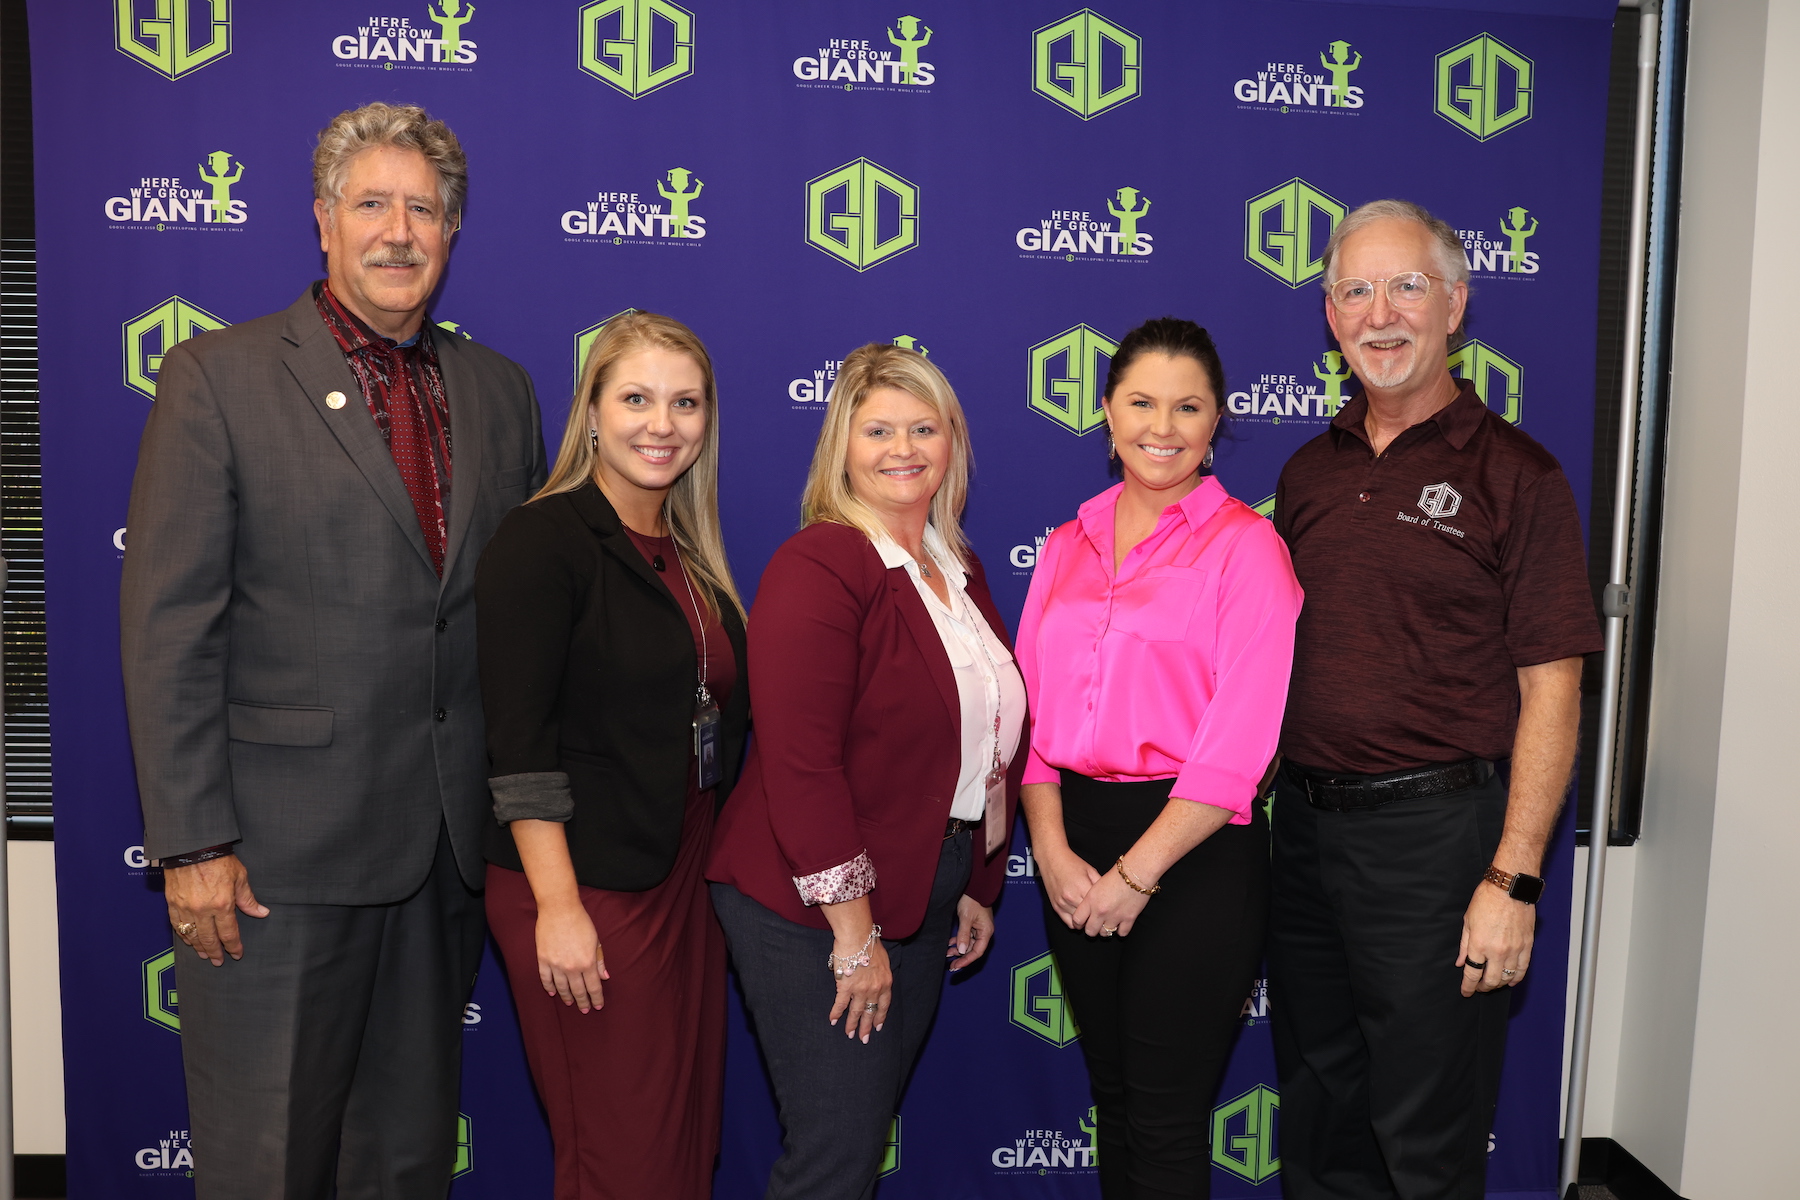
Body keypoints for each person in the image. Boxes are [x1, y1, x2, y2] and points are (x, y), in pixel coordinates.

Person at [119, 102, 545, 1198]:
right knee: (271, 1167)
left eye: (424, 209)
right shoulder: (217, 377)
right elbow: (169, 629)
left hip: (444, 853)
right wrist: (192, 843)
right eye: (372, 205)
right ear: (322, 222)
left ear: (451, 233)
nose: (398, 231)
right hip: (272, 867)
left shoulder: (498, 392)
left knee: (404, 1166)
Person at [1269, 199, 1601, 1200]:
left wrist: (1513, 882)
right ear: (1330, 315)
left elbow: (1555, 688)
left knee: (1426, 1138)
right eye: (1356, 291)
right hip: (1306, 839)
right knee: (1322, 1117)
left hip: (1440, 841)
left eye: (1407, 285)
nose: (1382, 314)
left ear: (1455, 303)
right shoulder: (1305, 472)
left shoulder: (1519, 475)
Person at [706, 343, 1025, 1200]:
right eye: (877, 428)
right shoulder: (823, 564)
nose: (903, 447)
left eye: (924, 427)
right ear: (841, 444)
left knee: (851, 1144)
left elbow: (984, 737)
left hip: (921, 892)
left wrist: (974, 877)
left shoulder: (956, 570)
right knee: (834, 1158)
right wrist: (854, 937)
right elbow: (800, 765)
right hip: (813, 910)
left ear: (953, 441)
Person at [1014, 318, 1303, 1199]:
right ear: (1106, 412)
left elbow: (1237, 749)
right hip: (1076, 838)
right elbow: (1029, 720)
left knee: (1169, 1115)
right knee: (1113, 1099)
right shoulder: (1067, 544)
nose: (1163, 426)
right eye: (1141, 402)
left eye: (1188, 406)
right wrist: (1056, 854)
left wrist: (1133, 876)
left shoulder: (1248, 548)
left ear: (1219, 421)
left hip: (1197, 850)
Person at [475, 313, 749, 1200]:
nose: (660, 424)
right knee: (621, 1158)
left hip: (682, 874)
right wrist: (558, 909)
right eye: (635, 398)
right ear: (590, 410)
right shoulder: (543, 539)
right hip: (584, 888)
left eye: (684, 403)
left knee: (679, 1146)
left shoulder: (691, 553)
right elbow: (517, 744)